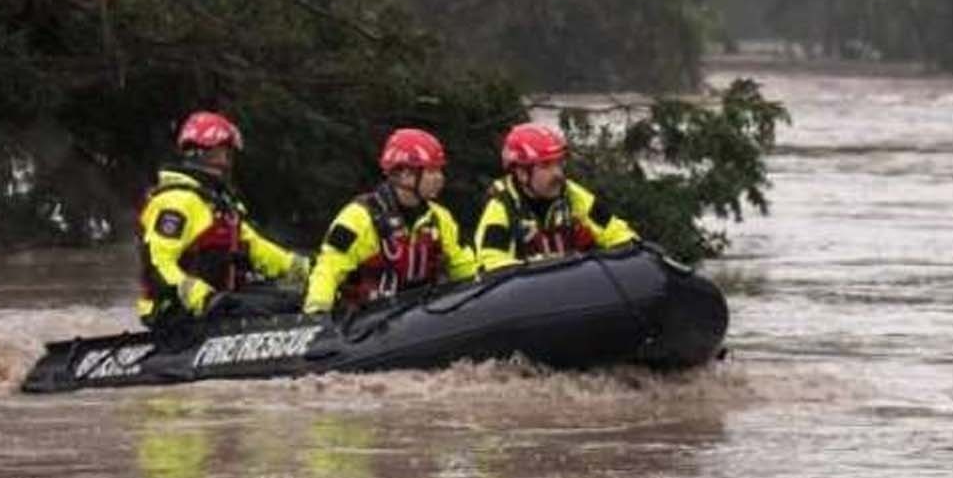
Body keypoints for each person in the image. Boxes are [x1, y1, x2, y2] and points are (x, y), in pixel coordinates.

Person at [137, 111, 309, 328]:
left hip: (217, 301)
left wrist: (305, 269)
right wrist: (200, 296)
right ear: (201, 153)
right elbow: (158, 264)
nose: (227, 162)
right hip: (178, 309)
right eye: (222, 153)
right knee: (273, 307)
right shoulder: (177, 202)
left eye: (228, 154)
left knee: (290, 296)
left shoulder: (217, 203)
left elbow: (257, 249)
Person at [303, 128, 477, 314]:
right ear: (405, 175)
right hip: (365, 322)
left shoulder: (440, 218)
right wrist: (318, 312)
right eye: (432, 171)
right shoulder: (359, 217)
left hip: (422, 319)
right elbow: (329, 268)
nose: (440, 178)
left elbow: (464, 266)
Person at [474, 122, 637, 271]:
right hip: (528, 298)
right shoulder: (502, 207)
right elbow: (492, 263)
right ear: (522, 173)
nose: (558, 174)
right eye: (546, 166)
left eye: (559, 163)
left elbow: (616, 233)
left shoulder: (572, 195)